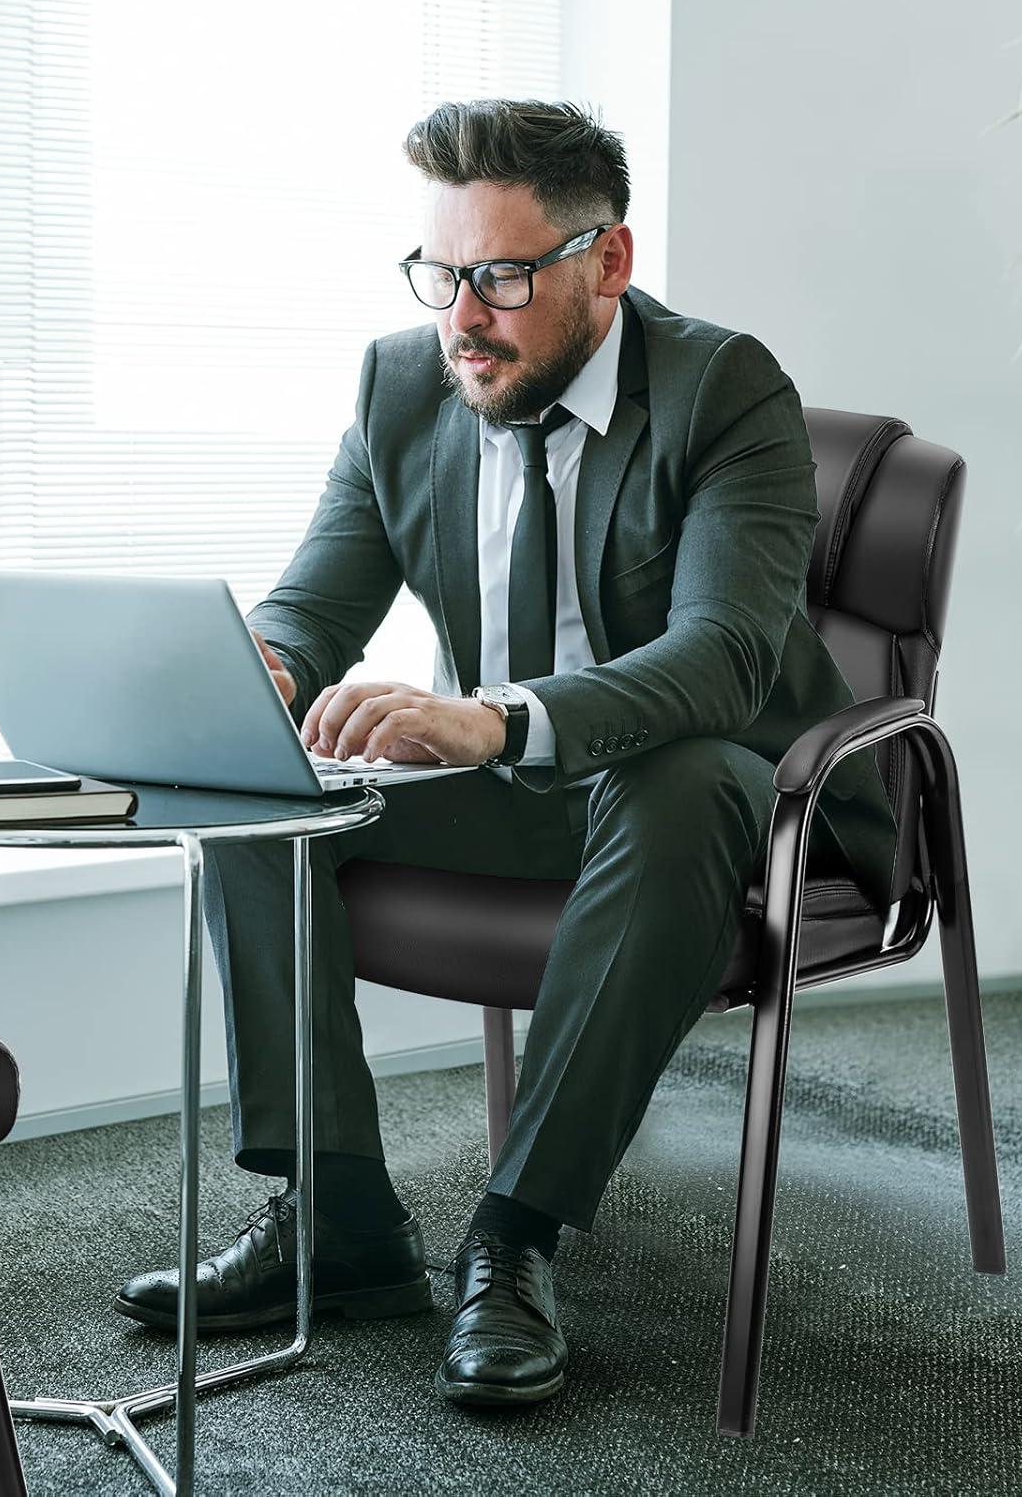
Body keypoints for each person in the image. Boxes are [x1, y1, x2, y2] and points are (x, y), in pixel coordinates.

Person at [115, 98, 899, 1407]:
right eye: (442, 272)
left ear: (609, 263)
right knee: (250, 788)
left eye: (504, 277)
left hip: (742, 802)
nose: (463, 315)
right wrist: (265, 670)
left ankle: (515, 1237)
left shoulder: (724, 391)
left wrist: (498, 716)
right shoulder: (403, 382)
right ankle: (341, 1220)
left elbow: (725, 663)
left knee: (680, 773)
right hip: (522, 791)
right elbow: (318, 601)